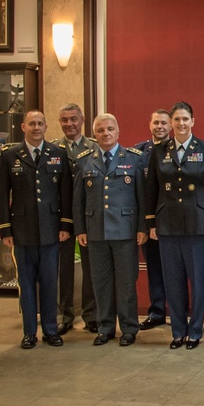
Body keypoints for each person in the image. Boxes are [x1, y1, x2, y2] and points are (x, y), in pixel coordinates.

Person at [145, 101, 204, 350]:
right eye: (176, 119)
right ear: (171, 123)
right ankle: (177, 331)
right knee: (173, 280)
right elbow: (151, 189)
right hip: (167, 223)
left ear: (193, 122)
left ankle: (195, 331)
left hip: (198, 224)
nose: (181, 123)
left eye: (185, 119)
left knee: (197, 280)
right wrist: (150, 222)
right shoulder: (159, 151)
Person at [0, 110, 73, 349]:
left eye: (40, 123)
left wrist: (65, 225)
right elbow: (1, 195)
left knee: (50, 283)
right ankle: (30, 332)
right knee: (27, 284)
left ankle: (50, 330)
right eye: (32, 124)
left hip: (51, 230)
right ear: (23, 127)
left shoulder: (58, 154)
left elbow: (65, 194)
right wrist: (5, 230)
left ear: (46, 127)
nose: (36, 127)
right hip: (22, 231)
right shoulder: (9, 156)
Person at [72, 114, 147, 346]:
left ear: (118, 132)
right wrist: (80, 229)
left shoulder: (134, 159)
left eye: (110, 129)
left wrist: (142, 227)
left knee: (126, 283)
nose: (105, 133)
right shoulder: (84, 160)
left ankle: (128, 328)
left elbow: (142, 198)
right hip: (96, 232)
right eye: (101, 130)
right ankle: (105, 327)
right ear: (94, 134)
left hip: (125, 232)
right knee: (101, 282)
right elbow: (78, 200)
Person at [54, 103, 99, 335]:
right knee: (63, 269)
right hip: (60, 218)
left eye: (73, 119)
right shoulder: (52, 149)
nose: (69, 124)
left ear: (82, 120)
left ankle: (91, 315)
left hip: (87, 217)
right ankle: (65, 315)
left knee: (91, 268)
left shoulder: (94, 147)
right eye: (64, 120)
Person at [134, 109, 170, 330]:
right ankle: (157, 312)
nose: (160, 127)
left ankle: (178, 311)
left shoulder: (178, 151)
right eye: (156, 122)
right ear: (150, 125)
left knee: (177, 270)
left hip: (174, 221)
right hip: (149, 222)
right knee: (154, 269)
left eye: (164, 123)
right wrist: (146, 224)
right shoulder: (139, 153)